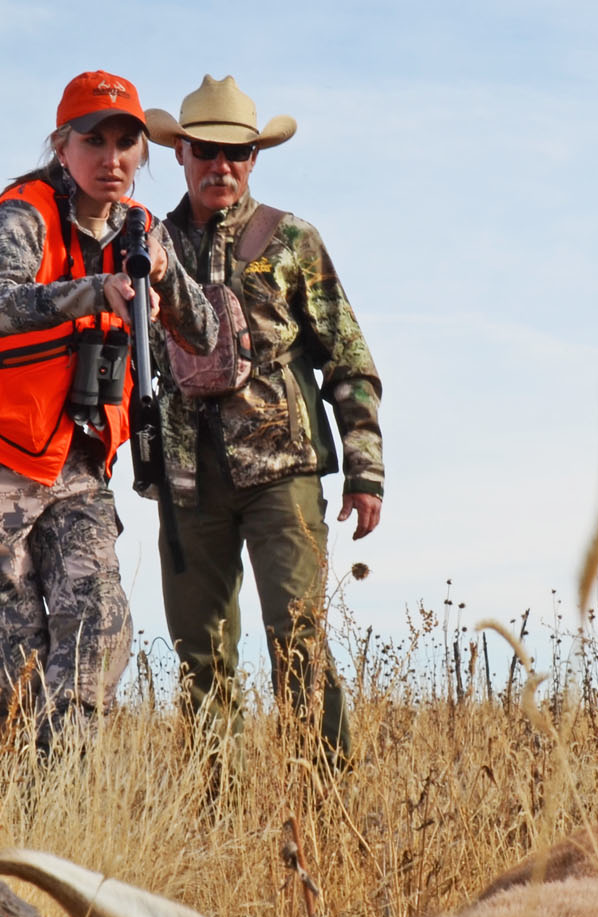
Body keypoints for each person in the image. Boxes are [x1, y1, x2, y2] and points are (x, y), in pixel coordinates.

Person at [0, 70, 216, 751]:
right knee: (13, 656)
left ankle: (63, 788)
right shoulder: (25, 215)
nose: (112, 158)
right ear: (62, 147)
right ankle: (17, 802)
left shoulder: (143, 232)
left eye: (126, 143)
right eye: (93, 141)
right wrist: (95, 291)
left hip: (71, 456)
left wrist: (162, 276)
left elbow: (206, 334)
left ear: (143, 153)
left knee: (99, 624)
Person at [143, 76, 384, 771]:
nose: (220, 166)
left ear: (253, 160)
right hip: (187, 483)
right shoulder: (146, 245)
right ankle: (217, 812)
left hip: (284, 474)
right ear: (181, 153)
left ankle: (324, 805)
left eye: (236, 154)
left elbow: (349, 359)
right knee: (199, 655)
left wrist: (365, 470)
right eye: (205, 151)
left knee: (298, 640)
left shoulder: (292, 239)